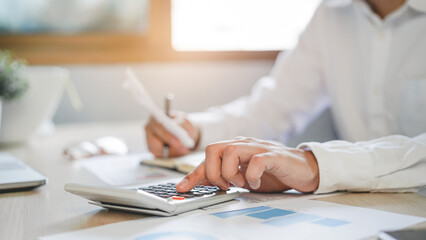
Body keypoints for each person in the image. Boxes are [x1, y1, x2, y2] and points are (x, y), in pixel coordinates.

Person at [145, 0, 426, 194]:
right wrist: (194, 131)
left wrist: (316, 165)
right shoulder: (331, 13)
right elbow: (273, 107)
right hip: (367, 208)